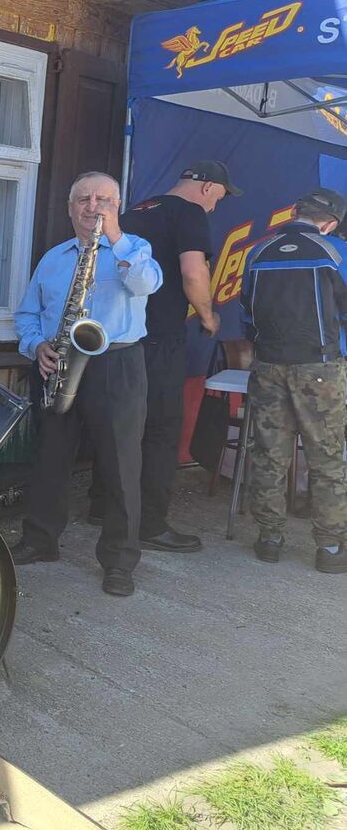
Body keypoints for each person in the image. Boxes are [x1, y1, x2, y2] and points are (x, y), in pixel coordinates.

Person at [10, 172, 163, 597]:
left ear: (118, 207)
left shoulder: (136, 250)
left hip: (117, 364)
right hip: (57, 362)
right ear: (69, 208)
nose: (92, 207)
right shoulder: (53, 258)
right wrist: (36, 345)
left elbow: (147, 284)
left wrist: (115, 238)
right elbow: (27, 314)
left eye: (103, 200)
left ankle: (119, 561)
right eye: (83, 199)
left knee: (120, 465)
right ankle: (40, 539)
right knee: (50, 456)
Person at [89, 160, 240, 552]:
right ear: (207, 187)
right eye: (219, 198)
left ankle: (102, 506)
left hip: (119, 338)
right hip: (159, 340)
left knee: (120, 425)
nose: (215, 207)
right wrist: (208, 316)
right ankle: (151, 524)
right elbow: (193, 273)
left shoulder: (135, 211)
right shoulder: (189, 213)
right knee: (160, 430)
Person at [240, 188, 347, 574]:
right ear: (330, 223)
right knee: (327, 457)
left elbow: (247, 314)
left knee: (269, 454)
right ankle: (330, 548)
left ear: (295, 212)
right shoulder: (336, 252)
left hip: (268, 365)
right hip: (320, 367)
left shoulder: (258, 252)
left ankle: (269, 539)